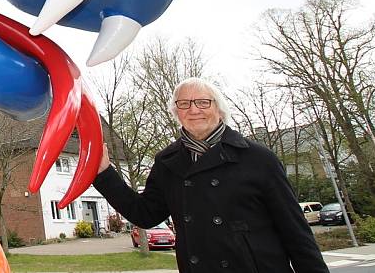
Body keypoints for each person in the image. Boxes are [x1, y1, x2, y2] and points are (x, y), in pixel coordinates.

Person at [92, 77, 329, 272]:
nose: (194, 110)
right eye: (184, 104)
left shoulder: (257, 158)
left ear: (219, 109)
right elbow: (144, 214)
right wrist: (104, 173)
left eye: (203, 102)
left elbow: (295, 231)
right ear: (177, 112)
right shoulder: (167, 162)